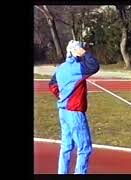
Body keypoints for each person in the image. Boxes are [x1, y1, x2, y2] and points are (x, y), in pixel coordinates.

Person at [49, 40, 100, 174]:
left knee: (66, 146)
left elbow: (52, 85)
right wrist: (85, 53)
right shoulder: (76, 68)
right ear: (76, 51)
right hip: (74, 112)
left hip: (63, 111)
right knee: (84, 148)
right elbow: (94, 66)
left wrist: (62, 96)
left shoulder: (61, 68)